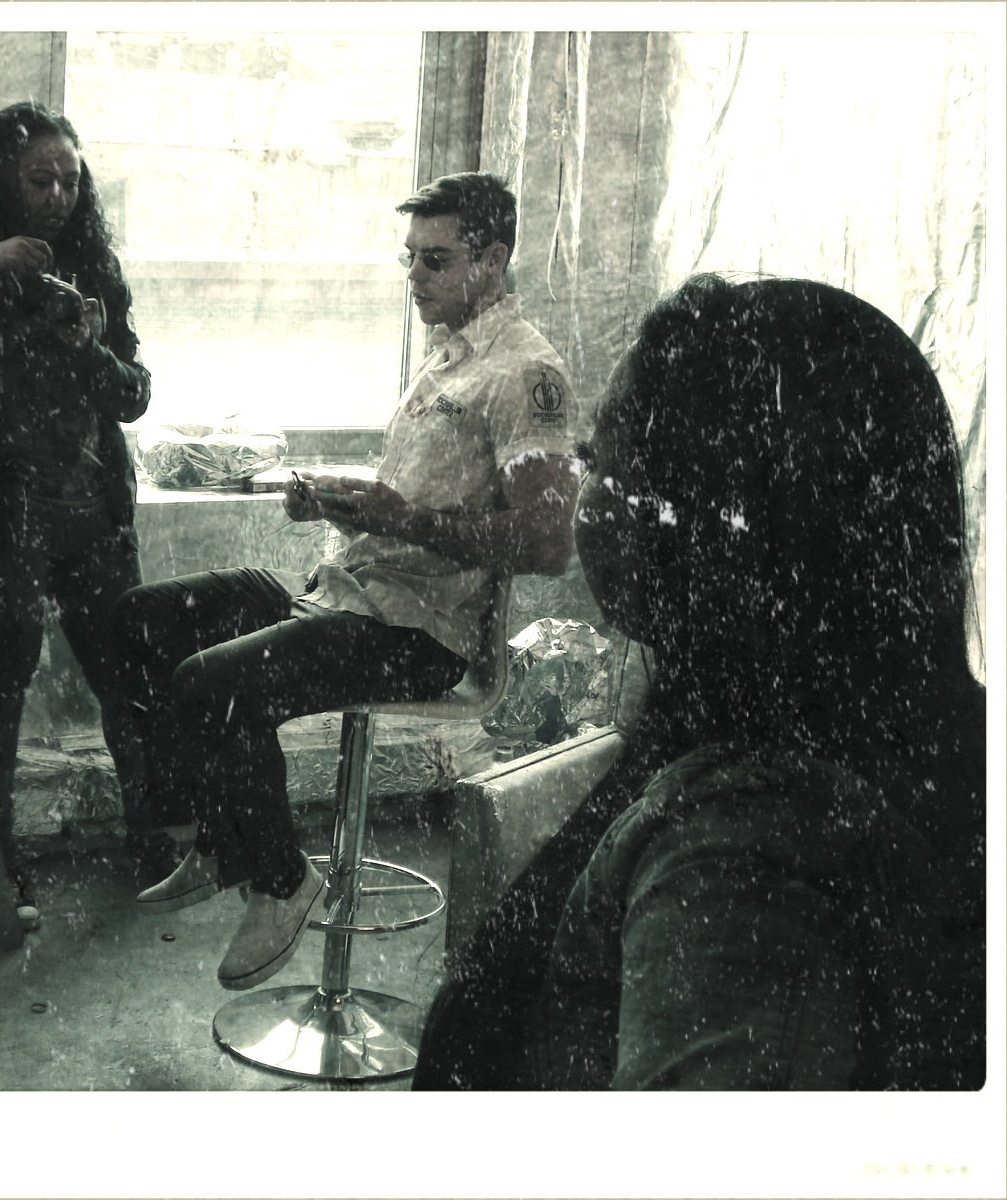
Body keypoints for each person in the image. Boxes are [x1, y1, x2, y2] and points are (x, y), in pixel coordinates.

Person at [412, 273, 985, 1089]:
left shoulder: (740, 862)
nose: (585, 498)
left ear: (705, 523)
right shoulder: (810, 727)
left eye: (601, 462)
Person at [112, 172, 581, 992]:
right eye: (410, 258)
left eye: (435, 260)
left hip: (420, 634)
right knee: (139, 621)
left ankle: (281, 880)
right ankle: (225, 841)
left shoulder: (525, 374)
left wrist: (405, 519)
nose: (415, 277)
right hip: (347, 591)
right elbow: (416, 500)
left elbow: (548, 543)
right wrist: (339, 499)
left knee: (207, 684)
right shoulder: (448, 357)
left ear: (493, 260)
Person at [0, 101, 180, 926]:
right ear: (1, 178)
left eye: (70, 180)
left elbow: (132, 397)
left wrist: (87, 348)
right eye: (40, 180)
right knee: (0, 683)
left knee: (125, 673)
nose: (59, 196)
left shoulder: (92, 259)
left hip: (87, 506)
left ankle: (154, 846)